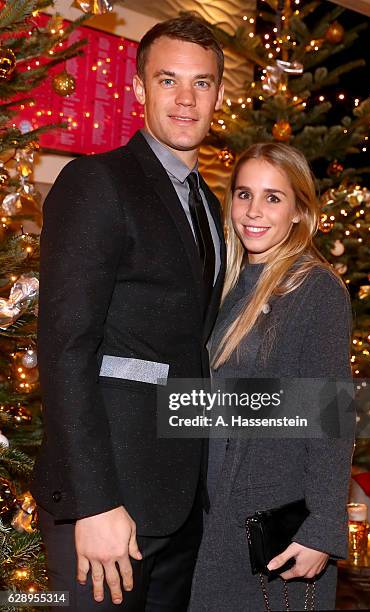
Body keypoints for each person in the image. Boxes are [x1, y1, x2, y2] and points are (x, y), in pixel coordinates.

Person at [30, 15, 226, 612]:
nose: (186, 99)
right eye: (168, 80)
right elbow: (66, 347)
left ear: (220, 93)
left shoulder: (211, 206)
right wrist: (94, 503)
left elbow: (192, 350)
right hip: (108, 505)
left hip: (180, 502)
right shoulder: (97, 182)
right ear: (139, 90)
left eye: (202, 82)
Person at [188, 142, 355, 611]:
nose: (254, 211)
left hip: (272, 524)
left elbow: (331, 413)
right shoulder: (228, 285)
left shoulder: (314, 288)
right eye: (244, 195)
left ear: (300, 211)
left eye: (273, 198)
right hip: (214, 515)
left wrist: (323, 526)